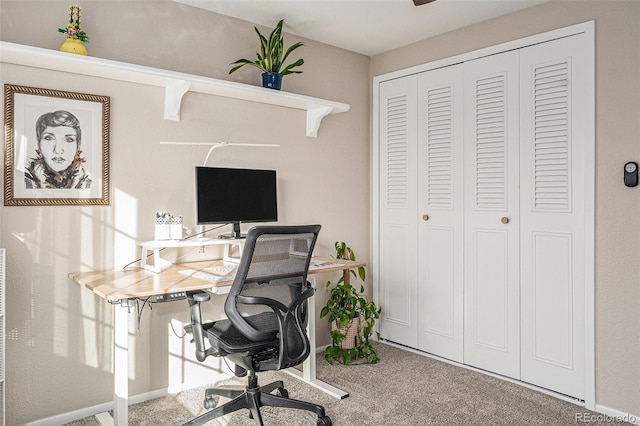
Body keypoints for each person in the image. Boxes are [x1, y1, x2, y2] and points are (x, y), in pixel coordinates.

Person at [25, 110, 91, 189]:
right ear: (39, 143)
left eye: (69, 139)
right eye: (49, 138)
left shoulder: (88, 185)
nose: (58, 150)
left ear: (78, 146)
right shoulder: (26, 183)